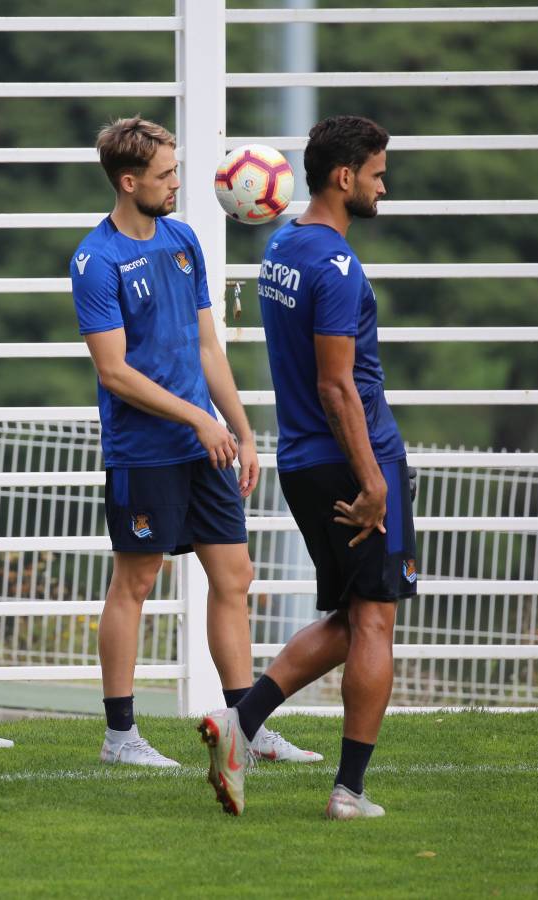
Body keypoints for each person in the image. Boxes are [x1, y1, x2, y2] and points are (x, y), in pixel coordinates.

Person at [71, 117, 320, 767]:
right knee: (136, 582)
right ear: (129, 182)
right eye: (166, 175)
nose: (180, 183)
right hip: (144, 451)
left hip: (204, 445)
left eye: (176, 170)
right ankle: (120, 736)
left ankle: (245, 723)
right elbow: (114, 372)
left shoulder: (183, 240)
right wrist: (198, 420)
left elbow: (210, 346)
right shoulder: (96, 261)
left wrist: (239, 431)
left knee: (234, 575)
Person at [199, 115, 418, 819]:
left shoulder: (284, 246)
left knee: (352, 617)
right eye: (379, 174)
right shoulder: (337, 266)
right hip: (355, 459)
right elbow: (335, 385)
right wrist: (376, 480)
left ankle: (242, 723)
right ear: (345, 176)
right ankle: (348, 793)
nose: (385, 187)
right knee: (377, 621)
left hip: (302, 460)